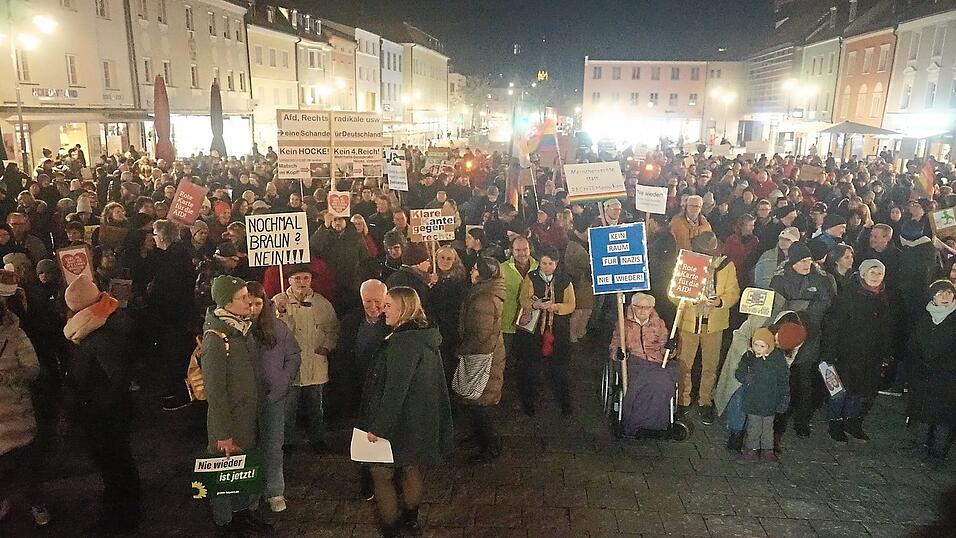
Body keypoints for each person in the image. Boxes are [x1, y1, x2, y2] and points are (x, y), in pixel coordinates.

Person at [360, 287, 454, 538]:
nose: (383, 310)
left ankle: (391, 527)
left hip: (399, 420)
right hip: (419, 418)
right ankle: (411, 520)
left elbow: (395, 390)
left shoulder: (403, 343)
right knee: (412, 468)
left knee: (381, 473)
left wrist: (378, 427)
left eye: (389, 305)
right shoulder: (425, 335)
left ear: (404, 308)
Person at [62, 275, 140, 533]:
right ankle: (123, 507)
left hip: (105, 414)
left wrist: (97, 406)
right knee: (118, 462)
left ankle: (122, 515)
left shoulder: (100, 334)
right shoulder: (102, 323)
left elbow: (117, 377)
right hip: (105, 410)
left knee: (114, 463)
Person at [201, 276, 272, 535]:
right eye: (243, 298)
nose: (249, 303)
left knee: (242, 470)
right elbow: (215, 392)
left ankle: (242, 515)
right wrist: (223, 434)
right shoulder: (216, 339)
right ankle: (225, 522)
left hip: (245, 417)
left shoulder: (241, 330)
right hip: (229, 422)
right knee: (223, 474)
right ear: (226, 303)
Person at [823, 259, 893, 443]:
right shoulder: (848, 295)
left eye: (879, 273)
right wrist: (830, 353)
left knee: (862, 391)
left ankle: (852, 422)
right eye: (872, 272)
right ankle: (835, 423)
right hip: (846, 353)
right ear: (862, 274)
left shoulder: (886, 297)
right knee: (839, 392)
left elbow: (888, 327)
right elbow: (833, 325)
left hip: (871, 356)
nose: (876, 277)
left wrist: (886, 352)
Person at [673, 232, 740, 424]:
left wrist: (720, 301)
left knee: (710, 364)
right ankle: (683, 399)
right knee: (684, 362)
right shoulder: (686, 263)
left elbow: (734, 292)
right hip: (689, 321)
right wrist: (688, 299)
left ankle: (705, 401)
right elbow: (673, 292)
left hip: (714, 323)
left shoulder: (727, 266)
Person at [770, 241, 833, 439]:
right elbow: (775, 305)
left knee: (804, 381)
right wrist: (797, 310)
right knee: (783, 379)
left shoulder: (821, 279)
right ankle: (779, 418)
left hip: (810, 336)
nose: (807, 264)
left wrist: (799, 311)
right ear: (793, 261)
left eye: (809, 260)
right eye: (802, 261)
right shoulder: (780, 278)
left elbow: (824, 303)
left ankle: (802, 420)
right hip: (786, 336)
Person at [274, 266, 340, 453]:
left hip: (314, 362)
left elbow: (333, 328)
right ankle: (287, 441)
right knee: (288, 407)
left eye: (306, 278)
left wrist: (327, 346)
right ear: (289, 281)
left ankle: (318, 438)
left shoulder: (321, 303)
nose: (302, 282)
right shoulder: (279, 302)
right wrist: (281, 312)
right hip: (289, 364)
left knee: (316, 406)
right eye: (297, 278)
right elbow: (273, 331)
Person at [247, 282, 301, 514]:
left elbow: (294, 355)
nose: (253, 309)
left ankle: (274, 490)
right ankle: (250, 491)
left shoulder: (278, 328)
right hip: (247, 399)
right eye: (248, 303)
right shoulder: (237, 330)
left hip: (274, 397)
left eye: (257, 304)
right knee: (249, 445)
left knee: (272, 445)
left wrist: (284, 379)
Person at [0, 298, 51, 527]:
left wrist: (7, 377)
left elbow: (33, 370)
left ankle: (36, 503)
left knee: (27, 466)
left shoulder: (17, 336)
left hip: (17, 414)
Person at [515, 246, 576, 416]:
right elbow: (523, 299)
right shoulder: (531, 277)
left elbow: (571, 304)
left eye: (550, 263)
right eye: (544, 263)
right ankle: (529, 404)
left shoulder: (565, 280)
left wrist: (557, 307)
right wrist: (536, 305)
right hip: (534, 330)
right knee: (531, 368)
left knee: (559, 369)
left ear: (556, 264)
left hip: (558, 329)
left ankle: (565, 404)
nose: (547, 266)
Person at [456, 257, 506, 462]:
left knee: (481, 403)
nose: (471, 272)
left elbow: (480, 334)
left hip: (483, 356)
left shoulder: (483, 299)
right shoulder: (486, 291)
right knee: (475, 401)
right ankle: (479, 436)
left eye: (475, 269)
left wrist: (462, 350)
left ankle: (489, 446)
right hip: (487, 353)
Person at [608, 293, 674, 435]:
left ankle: (656, 424)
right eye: (639, 307)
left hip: (655, 362)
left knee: (663, 382)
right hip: (634, 361)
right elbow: (615, 344)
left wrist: (671, 348)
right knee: (644, 383)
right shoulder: (623, 323)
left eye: (647, 308)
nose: (643, 311)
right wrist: (617, 353)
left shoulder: (659, 323)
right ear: (632, 307)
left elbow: (664, 349)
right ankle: (636, 423)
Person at [907, 279, 956, 463]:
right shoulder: (924, 317)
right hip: (924, 374)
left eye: (949, 293)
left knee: (943, 417)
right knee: (923, 412)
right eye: (940, 293)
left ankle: (938, 452)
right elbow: (913, 344)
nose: (945, 297)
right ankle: (920, 446)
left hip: (948, 377)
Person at [735, 328, 790, 463]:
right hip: (753, 400)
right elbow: (739, 372)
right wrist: (746, 377)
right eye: (756, 345)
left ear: (769, 346)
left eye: (762, 346)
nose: (758, 349)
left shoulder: (777, 359)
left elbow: (783, 378)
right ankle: (751, 450)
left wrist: (784, 396)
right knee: (754, 426)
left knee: (767, 427)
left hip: (770, 400)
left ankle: (767, 451)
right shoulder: (749, 357)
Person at [431, 246, 467, 380]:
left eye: (449, 259)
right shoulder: (429, 277)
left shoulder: (459, 281)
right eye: (442, 257)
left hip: (451, 330)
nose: (445, 261)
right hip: (434, 327)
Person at [500, 236, 537, 356]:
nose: (522, 253)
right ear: (512, 250)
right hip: (507, 324)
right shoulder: (502, 269)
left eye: (525, 249)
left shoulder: (539, 267)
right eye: (518, 250)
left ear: (530, 249)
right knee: (507, 359)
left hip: (531, 324)